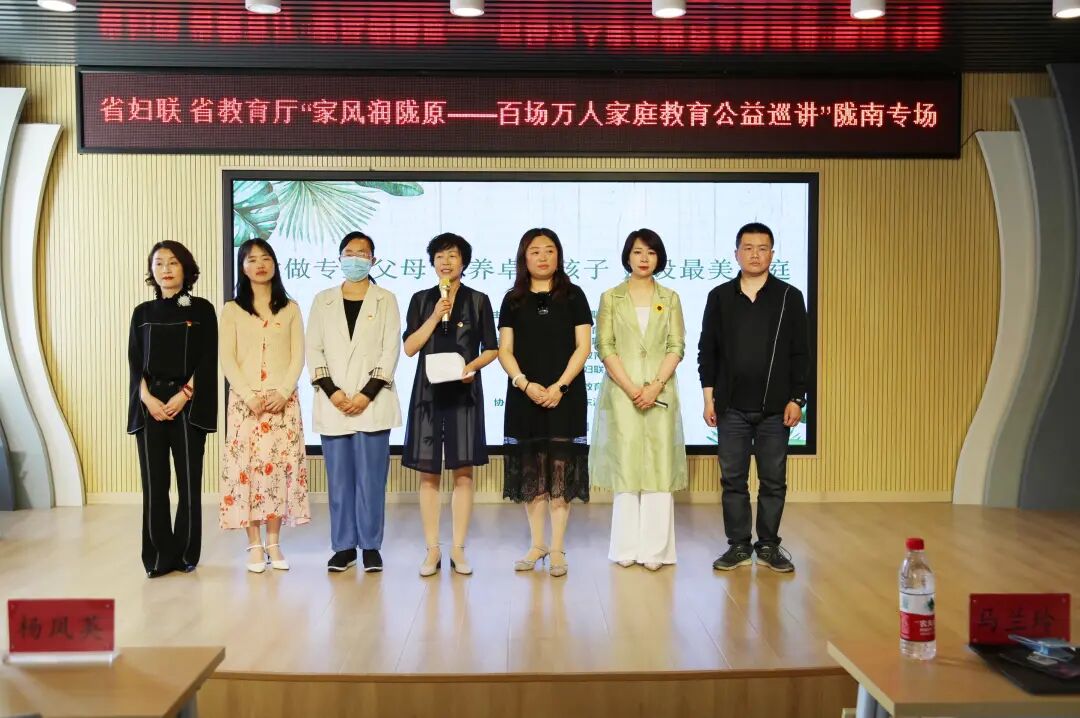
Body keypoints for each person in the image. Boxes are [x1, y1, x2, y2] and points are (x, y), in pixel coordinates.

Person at [698, 222, 809, 573]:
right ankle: (739, 545)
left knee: (773, 481)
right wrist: (708, 399)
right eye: (748, 248)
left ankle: (769, 545)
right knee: (733, 480)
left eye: (762, 248)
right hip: (730, 407)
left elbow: (801, 353)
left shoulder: (789, 297)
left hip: (776, 409)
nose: (755, 254)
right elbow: (707, 351)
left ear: (772, 255)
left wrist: (797, 399)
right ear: (736, 254)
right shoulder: (719, 296)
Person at [402, 233, 499, 577]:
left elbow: (492, 348)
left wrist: (472, 367)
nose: (446, 262)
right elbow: (410, 348)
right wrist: (434, 316)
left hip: (464, 393)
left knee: (463, 472)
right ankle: (432, 550)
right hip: (427, 395)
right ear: (432, 262)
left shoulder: (478, 300)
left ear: (464, 262)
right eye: (440, 256)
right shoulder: (421, 299)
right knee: (429, 473)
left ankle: (458, 549)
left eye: (453, 256)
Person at [498, 228, 592, 578]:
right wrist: (524, 383)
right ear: (524, 257)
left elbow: (583, 347)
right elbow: (505, 350)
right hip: (524, 395)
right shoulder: (512, 299)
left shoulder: (574, 295)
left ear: (559, 256)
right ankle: (537, 544)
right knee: (532, 472)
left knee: (559, 473)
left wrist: (560, 387)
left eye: (550, 250)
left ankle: (557, 549)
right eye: (535, 251)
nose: (543, 257)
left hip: (565, 396)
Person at [590, 229, 687, 571]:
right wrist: (632, 388)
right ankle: (625, 547)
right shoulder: (610, 298)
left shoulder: (670, 298)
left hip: (661, 393)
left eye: (651, 252)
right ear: (627, 257)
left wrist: (655, 386)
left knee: (659, 468)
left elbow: (676, 346)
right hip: (622, 393)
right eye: (637, 252)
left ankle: (656, 551)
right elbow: (605, 346)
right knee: (626, 466)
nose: (644, 258)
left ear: (659, 258)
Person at [306, 231, 402, 573]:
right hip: (333, 403)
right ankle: (344, 547)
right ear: (339, 258)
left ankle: (371, 546)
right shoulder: (322, 300)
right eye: (349, 252)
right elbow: (313, 349)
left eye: (362, 254)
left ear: (373, 260)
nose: (355, 259)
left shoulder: (386, 299)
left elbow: (390, 350)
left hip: (372, 403)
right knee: (339, 482)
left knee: (372, 481)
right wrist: (333, 392)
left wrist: (365, 394)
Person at [218, 239, 310, 573]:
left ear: (275, 264)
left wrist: (283, 391)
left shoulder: (291, 308)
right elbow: (227, 357)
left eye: (265, 258)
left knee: (278, 472)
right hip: (246, 405)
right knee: (248, 472)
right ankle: (254, 545)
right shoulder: (232, 310)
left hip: (282, 404)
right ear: (242, 267)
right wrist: (248, 395)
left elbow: (298, 355)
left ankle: (274, 543)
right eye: (251, 259)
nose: (259, 264)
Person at [127, 241, 217, 578]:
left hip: (187, 405)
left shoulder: (202, 309)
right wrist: (147, 399)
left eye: (173, 262)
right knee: (155, 485)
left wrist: (185, 394)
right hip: (150, 405)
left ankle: (186, 554)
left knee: (189, 484)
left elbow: (208, 358)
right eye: (159, 263)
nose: (165, 269)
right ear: (152, 270)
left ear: (186, 268)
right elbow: (135, 363)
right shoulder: (142, 313)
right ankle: (158, 557)